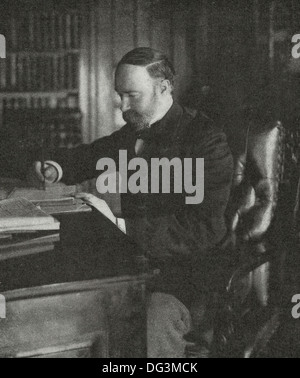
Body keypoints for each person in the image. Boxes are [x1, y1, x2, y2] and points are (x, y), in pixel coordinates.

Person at [28, 47, 234, 358]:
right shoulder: (133, 133)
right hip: (132, 270)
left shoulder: (206, 140)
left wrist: (117, 224)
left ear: (163, 87)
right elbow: (89, 156)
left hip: (187, 282)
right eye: (119, 95)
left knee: (148, 320)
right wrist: (55, 168)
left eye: (132, 96)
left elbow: (203, 229)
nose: (123, 106)